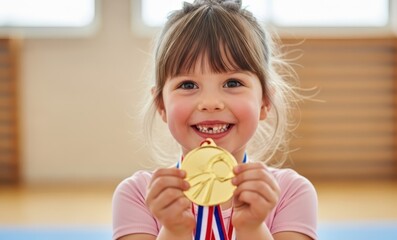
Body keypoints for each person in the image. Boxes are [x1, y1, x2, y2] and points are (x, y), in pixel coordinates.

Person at [112, 0, 318, 239]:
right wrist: (174, 230)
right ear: (162, 105)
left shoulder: (289, 194)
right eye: (188, 85)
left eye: (232, 83)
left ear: (264, 102)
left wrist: (252, 228)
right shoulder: (141, 196)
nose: (210, 102)